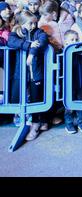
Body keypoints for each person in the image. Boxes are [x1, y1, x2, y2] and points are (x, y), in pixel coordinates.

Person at [8, 11, 49, 140]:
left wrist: (32, 54)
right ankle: (23, 120)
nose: (33, 25)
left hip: (35, 73)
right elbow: (11, 41)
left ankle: (36, 125)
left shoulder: (39, 32)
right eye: (30, 23)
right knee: (16, 96)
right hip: (20, 73)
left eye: (34, 22)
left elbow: (42, 41)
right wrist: (29, 44)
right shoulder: (17, 33)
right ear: (22, 23)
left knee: (37, 98)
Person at [63, 30, 82, 134]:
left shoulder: (81, 51)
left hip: (81, 81)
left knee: (80, 101)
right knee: (68, 103)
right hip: (69, 83)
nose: (75, 41)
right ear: (66, 42)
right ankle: (69, 123)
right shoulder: (65, 52)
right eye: (72, 39)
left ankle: (81, 122)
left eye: (76, 39)